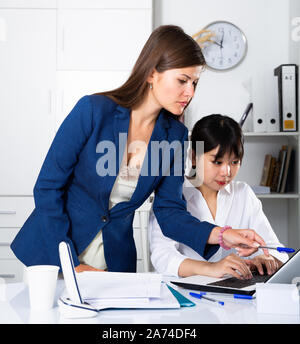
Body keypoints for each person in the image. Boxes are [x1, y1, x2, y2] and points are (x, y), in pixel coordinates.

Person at [11, 25, 268, 274]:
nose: (189, 92)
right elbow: (48, 188)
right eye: (182, 80)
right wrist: (70, 264)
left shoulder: (175, 137)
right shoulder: (93, 111)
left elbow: (169, 211)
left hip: (113, 262)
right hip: (53, 253)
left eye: (195, 83)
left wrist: (222, 234)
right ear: (151, 74)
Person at [149, 114, 288, 279]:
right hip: (184, 291)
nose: (226, 172)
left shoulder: (243, 193)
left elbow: (278, 251)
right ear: (194, 156)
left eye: (234, 162)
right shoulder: (171, 195)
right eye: (217, 162)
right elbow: (163, 257)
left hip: (236, 292)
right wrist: (211, 268)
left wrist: (266, 258)